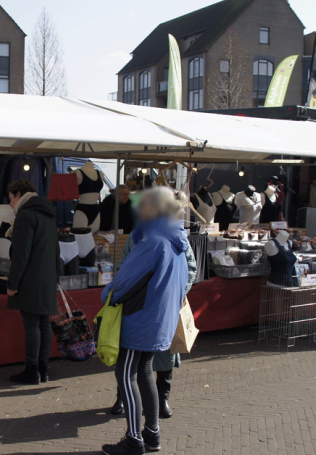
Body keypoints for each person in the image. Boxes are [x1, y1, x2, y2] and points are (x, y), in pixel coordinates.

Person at [101, 187, 190, 455]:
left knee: (125, 375)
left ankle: (133, 439)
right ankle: (151, 434)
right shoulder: (178, 241)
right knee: (144, 373)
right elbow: (183, 282)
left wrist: (107, 294)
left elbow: (122, 282)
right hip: (158, 320)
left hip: (139, 319)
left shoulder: (152, 241)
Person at [110, 206, 198, 420]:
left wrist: (175, 293)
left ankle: (161, 400)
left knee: (155, 359)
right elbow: (124, 267)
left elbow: (190, 269)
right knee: (136, 365)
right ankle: (125, 399)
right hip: (150, 308)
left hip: (151, 310)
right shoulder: (141, 236)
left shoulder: (174, 239)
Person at [5, 180, 61, 385]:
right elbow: (56, 249)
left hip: (30, 278)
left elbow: (21, 253)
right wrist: (56, 276)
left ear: (18, 194)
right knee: (44, 324)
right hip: (46, 277)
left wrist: (13, 283)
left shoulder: (25, 215)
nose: (10, 204)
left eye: (11, 199)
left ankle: (31, 371)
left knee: (32, 326)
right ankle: (42, 369)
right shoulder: (48, 214)